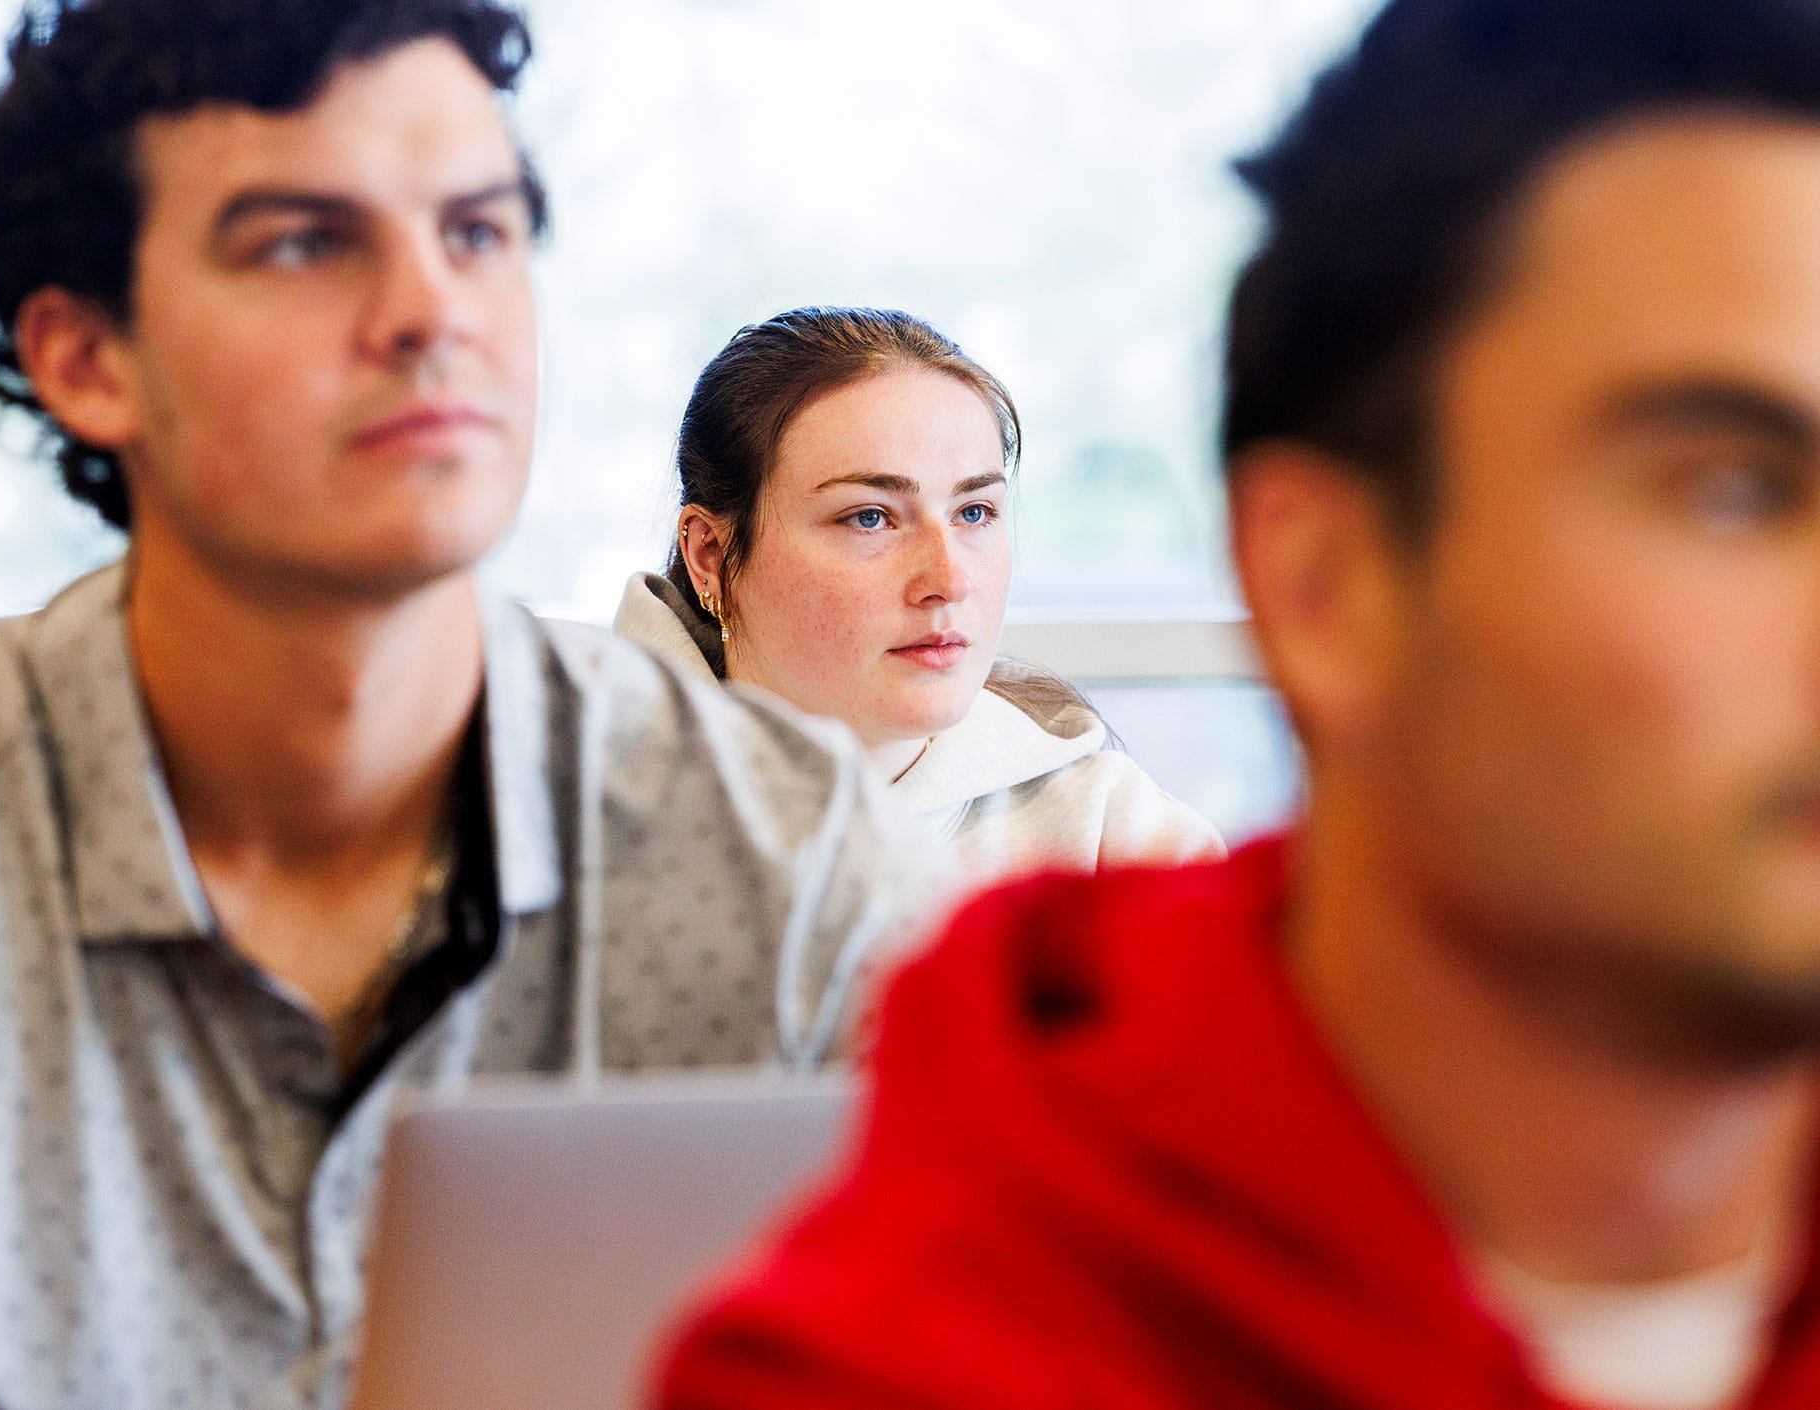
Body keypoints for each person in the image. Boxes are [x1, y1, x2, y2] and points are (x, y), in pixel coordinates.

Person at [654, 0, 1820, 1406]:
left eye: (978, 510)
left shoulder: (1102, 809)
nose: (942, 573)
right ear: (1325, 586)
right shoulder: (893, 1349)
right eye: (1734, 492)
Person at [0, 2, 940, 1406]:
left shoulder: (791, 865)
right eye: (303, 241)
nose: (432, 312)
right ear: (86, 361)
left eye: (476, 232)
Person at [617, 306, 1223, 882]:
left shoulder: (1122, 847)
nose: (949, 579)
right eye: (870, 518)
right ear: (711, 556)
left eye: (975, 512)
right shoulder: (574, 820)